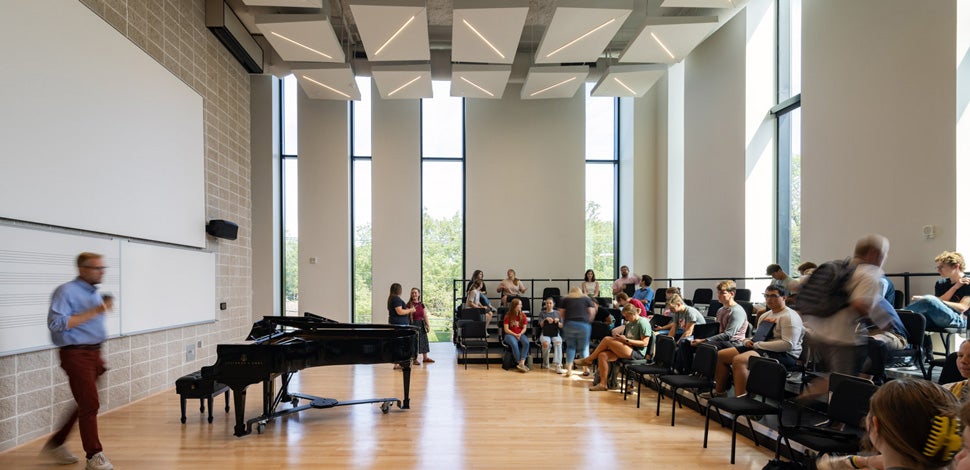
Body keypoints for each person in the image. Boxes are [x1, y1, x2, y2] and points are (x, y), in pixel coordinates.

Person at [41, 252, 114, 470]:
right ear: (82, 270)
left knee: (85, 403)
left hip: (93, 353)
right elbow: (56, 323)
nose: (102, 272)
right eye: (97, 268)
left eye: (103, 268)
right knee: (89, 404)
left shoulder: (93, 293)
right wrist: (96, 311)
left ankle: (56, 443)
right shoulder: (66, 291)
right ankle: (94, 456)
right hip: (76, 353)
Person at [801, 234, 890, 400]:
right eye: (885, 253)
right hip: (844, 337)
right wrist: (882, 321)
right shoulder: (870, 273)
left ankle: (817, 396)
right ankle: (834, 419)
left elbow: (801, 286)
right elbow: (860, 305)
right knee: (846, 381)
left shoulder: (839, 267)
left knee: (856, 371)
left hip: (818, 332)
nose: (885, 258)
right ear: (874, 253)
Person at [705, 285, 803, 398]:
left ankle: (743, 402)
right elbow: (758, 337)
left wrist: (757, 344)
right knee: (722, 355)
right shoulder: (766, 315)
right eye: (766, 296)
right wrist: (748, 341)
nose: (769, 299)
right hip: (763, 347)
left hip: (785, 354)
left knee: (739, 360)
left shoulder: (789, 316)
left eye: (773, 296)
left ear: (784, 297)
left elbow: (788, 344)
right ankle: (720, 392)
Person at [577, 305, 651, 391]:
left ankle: (589, 360)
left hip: (637, 352)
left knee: (606, 339)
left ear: (633, 314)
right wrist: (621, 339)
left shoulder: (643, 323)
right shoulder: (629, 324)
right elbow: (627, 339)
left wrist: (626, 340)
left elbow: (644, 343)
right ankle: (603, 384)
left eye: (627, 316)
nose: (626, 318)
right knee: (602, 355)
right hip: (628, 348)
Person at [904, 251, 970, 330]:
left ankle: (895, 317)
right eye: (937, 267)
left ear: (956, 266)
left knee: (929, 300)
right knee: (915, 320)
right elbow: (939, 304)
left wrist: (932, 300)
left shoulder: (968, 282)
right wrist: (955, 287)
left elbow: (962, 307)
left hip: (960, 319)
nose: (938, 270)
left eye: (941, 267)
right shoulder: (940, 283)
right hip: (941, 316)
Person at [558, 287, 596, 377]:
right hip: (583, 325)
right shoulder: (586, 298)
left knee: (570, 347)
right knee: (584, 348)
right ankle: (585, 369)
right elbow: (592, 312)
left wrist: (567, 320)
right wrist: (588, 321)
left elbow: (561, 313)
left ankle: (569, 370)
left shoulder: (565, 299)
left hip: (569, 324)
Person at [388, 283, 415, 370]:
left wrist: (406, 310)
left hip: (397, 323)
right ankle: (398, 363)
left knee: (397, 344)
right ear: (399, 290)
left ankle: (397, 363)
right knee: (399, 344)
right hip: (399, 324)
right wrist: (411, 310)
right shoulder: (396, 299)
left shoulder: (392, 298)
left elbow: (399, 310)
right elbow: (399, 312)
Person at [407, 287, 434, 365]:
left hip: (421, 324)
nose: (414, 294)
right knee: (414, 342)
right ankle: (414, 359)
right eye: (412, 293)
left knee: (424, 340)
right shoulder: (409, 304)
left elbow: (425, 315)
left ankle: (425, 358)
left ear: (419, 294)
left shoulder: (421, 304)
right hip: (413, 324)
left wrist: (427, 325)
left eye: (415, 293)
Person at [503, 298, 531, 373]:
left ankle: (522, 361)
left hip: (520, 334)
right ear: (515, 306)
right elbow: (506, 329)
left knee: (526, 342)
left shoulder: (523, 315)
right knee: (514, 343)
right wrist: (515, 334)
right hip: (510, 334)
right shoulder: (508, 315)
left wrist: (520, 334)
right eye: (520, 304)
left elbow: (524, 328)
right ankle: (519, 363)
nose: (521, 306)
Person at [538, 297, 564, 371]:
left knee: (558, 343)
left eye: (550, 303)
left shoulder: (557, 313)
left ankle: (558, 365)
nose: (548, 305)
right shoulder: (542, 313)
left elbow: (562, 325)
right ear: (545, 304)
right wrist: (545, 320)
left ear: (553, 304)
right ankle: (546, 363)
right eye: (547, 303)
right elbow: (541, 325)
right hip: (545, 333)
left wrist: (558, 322)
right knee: (546, 344)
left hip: (555, 333)